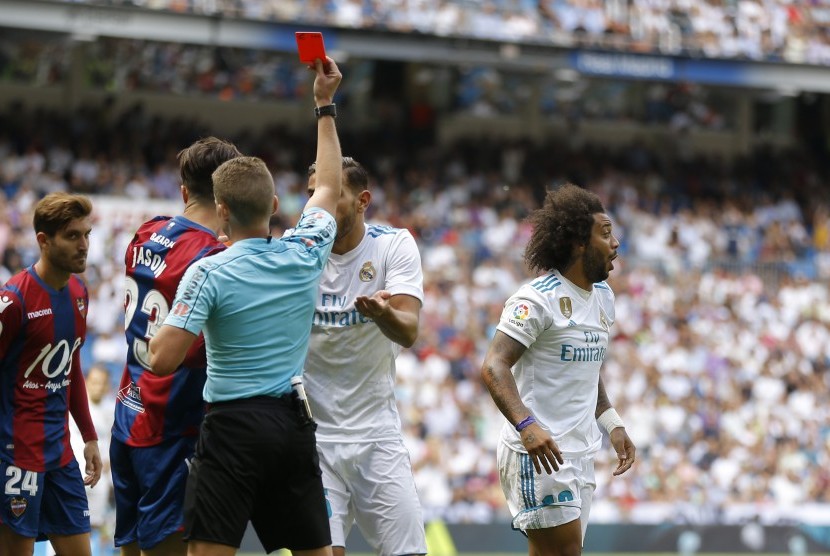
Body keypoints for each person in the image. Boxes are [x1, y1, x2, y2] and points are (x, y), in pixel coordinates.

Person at [148, 56, 343, 556]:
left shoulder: (208, 272)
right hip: (291, 427)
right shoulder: (306, 252)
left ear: (222, 211)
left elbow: (163, 359)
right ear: (275, 207)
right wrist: (324, 104)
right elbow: (327, 186)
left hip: (232, 429)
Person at [480, 184, 636, 556]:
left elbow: (588, 366)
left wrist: (611, 422)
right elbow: (494, 365)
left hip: (580, 452)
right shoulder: (537, 299)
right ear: (579, 243)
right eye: (606, 233)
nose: (616, 244)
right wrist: (526, 425)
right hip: (538, 451)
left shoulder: (603, 299)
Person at [110, 136, 242, 556]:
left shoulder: (146, 232)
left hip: (127, 416)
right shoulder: (214, 258)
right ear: (227, 200)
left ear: (184, 191)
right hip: (172, 428)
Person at [303, 157, 427, 556]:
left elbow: (408, 331)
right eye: (311, 196)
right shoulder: (298, 251)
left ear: (362, 200)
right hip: (314, 441)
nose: (317, 207)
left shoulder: (393, 245)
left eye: (331, 195)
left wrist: (384, 314)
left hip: (376, 436)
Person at [0, 192, 102, 555]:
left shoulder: (79, 292)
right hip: (16, 458)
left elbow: (70, 365)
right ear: (44, 241)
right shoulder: (14, 301)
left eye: (86, 235)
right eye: (73, 236)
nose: (84, 245)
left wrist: (88, 435)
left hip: (60, 455)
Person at [70, 362, 117, 554]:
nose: (97, 386)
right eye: (94, 382)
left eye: (102, 383)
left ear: (107, 385)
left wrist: (109, 464)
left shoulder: (112, 409)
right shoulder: (74, 407)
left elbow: (114, 440)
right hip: (73, 474)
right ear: (86, 382)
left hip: (100, 478)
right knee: (67, 525)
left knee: (95, 525)